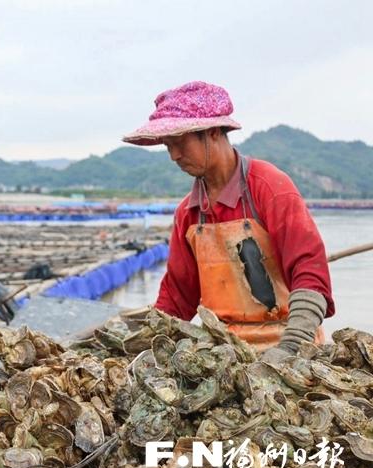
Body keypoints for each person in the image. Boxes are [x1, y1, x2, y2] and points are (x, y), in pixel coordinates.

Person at [122, 81, 334, 357]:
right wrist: (148, 344)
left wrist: (292, 345)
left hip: (288, 342)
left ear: (211, 133)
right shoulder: (188, 213)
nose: (174, 155)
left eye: (179, 143)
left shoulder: (269, 187)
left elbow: (310, 271)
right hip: (223, 352)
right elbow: (177, 296)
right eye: (168, 146)